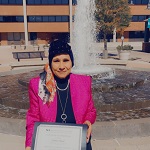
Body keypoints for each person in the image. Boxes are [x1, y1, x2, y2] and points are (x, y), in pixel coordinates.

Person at [25, 40, 96, 150]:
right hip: (51, 144)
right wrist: (29, 145)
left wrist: (88, 121)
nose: (62, 66)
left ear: (72, 62)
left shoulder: (84, 82)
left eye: (66, 60)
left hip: (77, 142)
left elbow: (91, 110)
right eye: (56, 61)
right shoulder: (39, 85)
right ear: (50, 63)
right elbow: (33, 118)